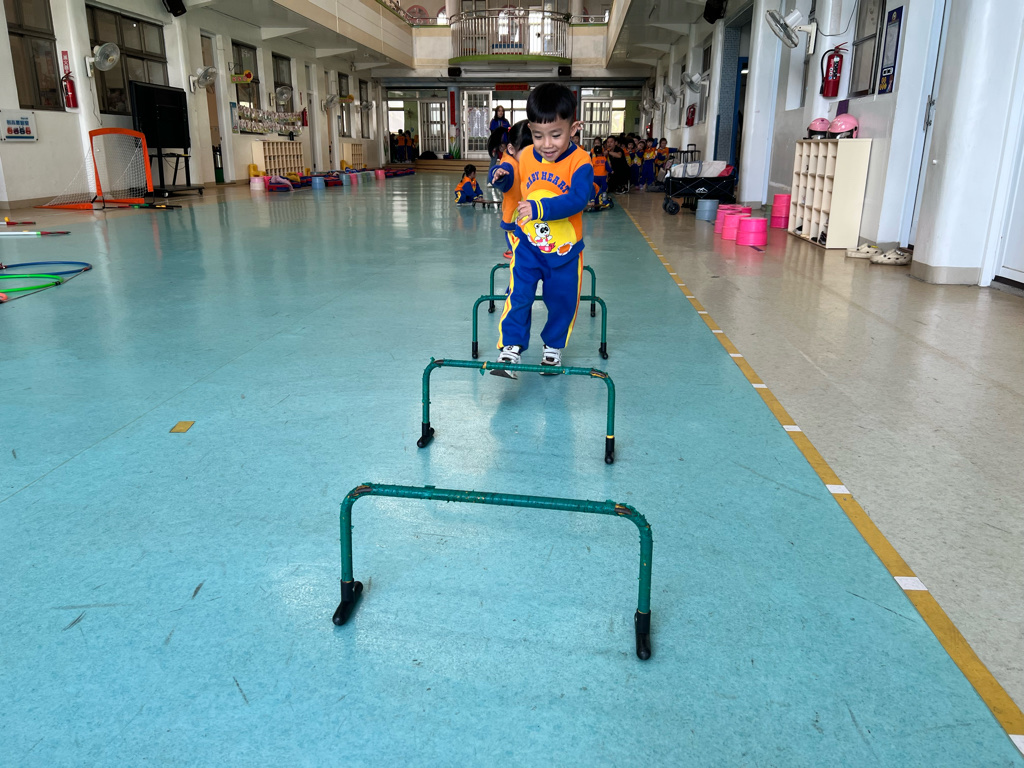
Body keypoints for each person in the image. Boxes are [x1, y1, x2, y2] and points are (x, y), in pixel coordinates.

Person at [491, 83, 594, 377]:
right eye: (538, 135)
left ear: (574, 128)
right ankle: (510, 348)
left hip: (564, 251)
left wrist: (540, 209)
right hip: (527, 245)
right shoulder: (525, 155)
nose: (546, 144)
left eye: (556, 135)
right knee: (519, 294)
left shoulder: (580, 161)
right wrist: (501, 176)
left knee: (562, 301)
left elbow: (578, 199)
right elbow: (511, 175)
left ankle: (553, 347)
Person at [489, 120, 534, 259]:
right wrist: (498, 173)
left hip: (530, 219)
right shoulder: (509, 164)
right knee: (522, 257)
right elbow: (500, 170)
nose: (533, 155)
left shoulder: (530, 162)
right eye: (527, 151)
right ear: (512, 149)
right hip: (515, 224)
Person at [588, 145, 610, 210]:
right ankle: (595, 201)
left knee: (604, 188)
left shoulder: (603, 158)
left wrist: (610, 170)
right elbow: (590, 167)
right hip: (596, 176)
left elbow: (607, 166)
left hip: (602, 177)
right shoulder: (593, 159)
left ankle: (605, 201)